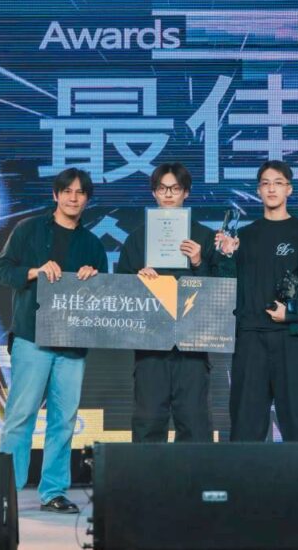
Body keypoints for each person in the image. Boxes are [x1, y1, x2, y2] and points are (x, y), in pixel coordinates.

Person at [0, 167, 107, 513]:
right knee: (21, 415)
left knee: (64, 420)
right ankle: (5, 492)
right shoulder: (28, 230)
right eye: (67, 191)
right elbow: (2, 271)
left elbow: (104, 296)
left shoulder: (93, 244)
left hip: (72, 342)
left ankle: (53, 491)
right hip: (32, 337)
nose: (73, 197)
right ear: (56, 195)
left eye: (80, 192)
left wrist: (94, 278)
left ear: (87, 199)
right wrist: (34, 271)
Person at [215, 160, 298, 442]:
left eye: (278, 183)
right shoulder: (244, 236)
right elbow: (226, 288)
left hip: (292, 338)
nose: (271, 189)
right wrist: (226, 256)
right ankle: (244, 473)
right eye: (265, 183)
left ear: (289, 189)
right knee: (245, 424)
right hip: (250, 339)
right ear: (258, 190)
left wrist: (292, 312)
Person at [116, 162, 221, 442]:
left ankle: (195, 474)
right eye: (162, 189)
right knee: (148, 422)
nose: (169, 194)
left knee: (195, 424)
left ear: (186, 192)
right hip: (150, 346)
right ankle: (148, 474)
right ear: (154, 193)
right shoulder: (137, 238)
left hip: (193, 345)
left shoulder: (204, 237)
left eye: (175, 188)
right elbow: (119, 290)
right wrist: (138, 280)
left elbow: (220, 293)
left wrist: (198, 262)